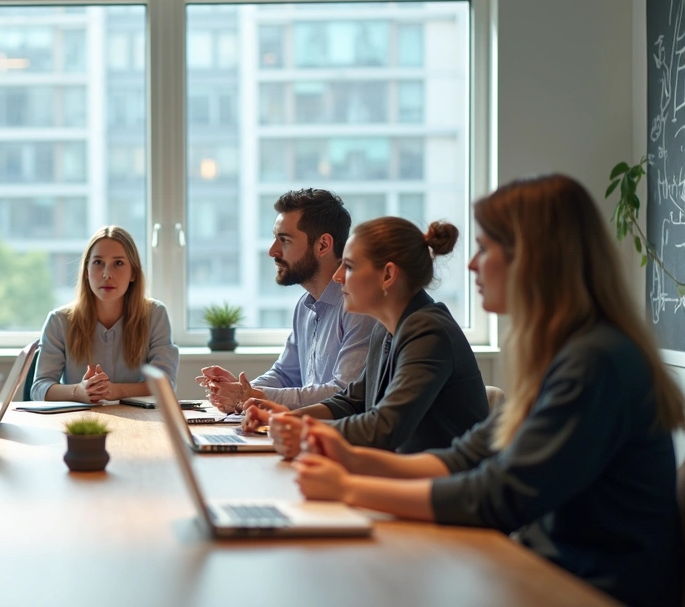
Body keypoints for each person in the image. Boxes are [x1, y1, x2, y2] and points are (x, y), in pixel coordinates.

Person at [289, 174, 684, 607]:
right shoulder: (564, 352)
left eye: (486, 248)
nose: (473, 264)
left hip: (587, 589)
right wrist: (352, 459)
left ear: (534, 258)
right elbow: (467, 458)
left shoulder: (597, 361)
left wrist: (349, 488)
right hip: (544, 572)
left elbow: (498, 496)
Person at [242, 216, 490, 455]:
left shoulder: (429, 332)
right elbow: (351, 402)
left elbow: (383, 428)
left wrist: (302, 429)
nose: (338, 277)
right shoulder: (386, 328)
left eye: (348, 266)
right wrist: (285, 417)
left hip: (440, 489)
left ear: (388, 275)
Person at [198, 189, 375, 411]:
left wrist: (249, 395)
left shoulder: (358, 307)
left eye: (285, 240)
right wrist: (240, 391)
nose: (272, 251)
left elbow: (343, 393)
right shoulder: (305, 306)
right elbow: (284, 375)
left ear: (322, 245)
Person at [30, 226, 178, 402]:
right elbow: (39, 388)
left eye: (118, 263)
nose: (107, 274)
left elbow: (165, 384)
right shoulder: (59, 321)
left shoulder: (155, 315)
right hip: (80, 424)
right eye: (98, 263)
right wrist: (78, 391)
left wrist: (116, 391)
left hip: (137, 422)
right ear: (86, 271)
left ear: (133, 273)